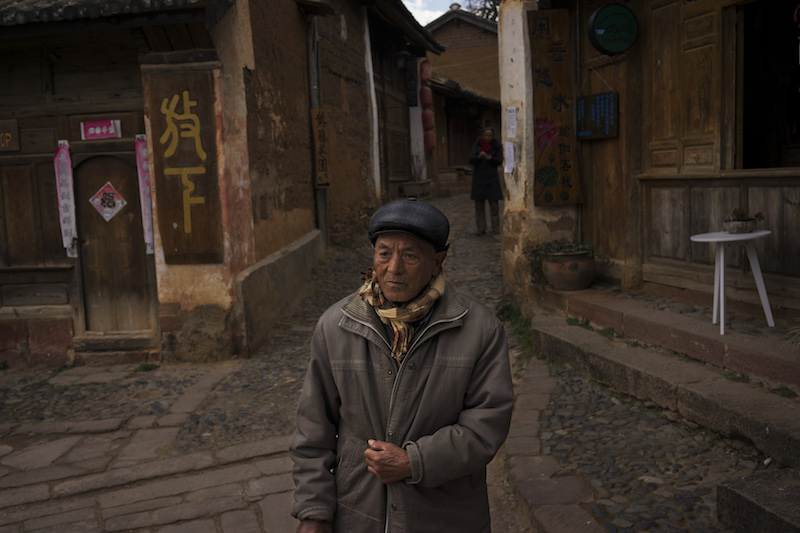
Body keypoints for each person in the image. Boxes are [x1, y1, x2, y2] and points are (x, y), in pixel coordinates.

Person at [290, 198, 514, 533]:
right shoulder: (335, 326)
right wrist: (314, 510)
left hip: (447, 515)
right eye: (384, 253)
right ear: (373, 255)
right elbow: (313, 429)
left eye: (410, 255)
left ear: (437, 262)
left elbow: (487, 424)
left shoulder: (480, 330)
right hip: (358, 509)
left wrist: (414, 462)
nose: (394, 268)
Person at [468, 127, 503, 236]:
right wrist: (479, 156)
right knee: (479, 207)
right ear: (483, 136)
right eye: (486, 135)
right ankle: (481, 228)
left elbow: (499, 160)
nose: (488, 137)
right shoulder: (477, 145)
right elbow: (471, 159)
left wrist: (490, 158)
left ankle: (496, 228)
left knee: (494, 206)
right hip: (479, 178)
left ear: (493, 136)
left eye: (490, 135)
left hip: (492, 179)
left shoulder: (496, 145)